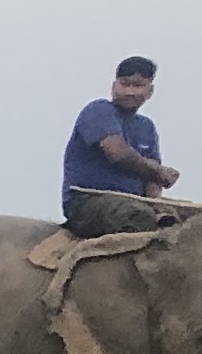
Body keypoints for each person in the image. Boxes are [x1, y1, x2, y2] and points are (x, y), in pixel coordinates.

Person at [60, 56, 181, 235]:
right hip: (88, 201)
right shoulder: (98, 110)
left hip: (135, 202)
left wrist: (158, 205)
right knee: (137, 217)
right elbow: (117, 153)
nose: (130, 92)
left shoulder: (146, 127)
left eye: (138, 86)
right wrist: (158, 171)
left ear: (150, 91)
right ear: (114, 86)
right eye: (125, 84)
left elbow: (151, 179)